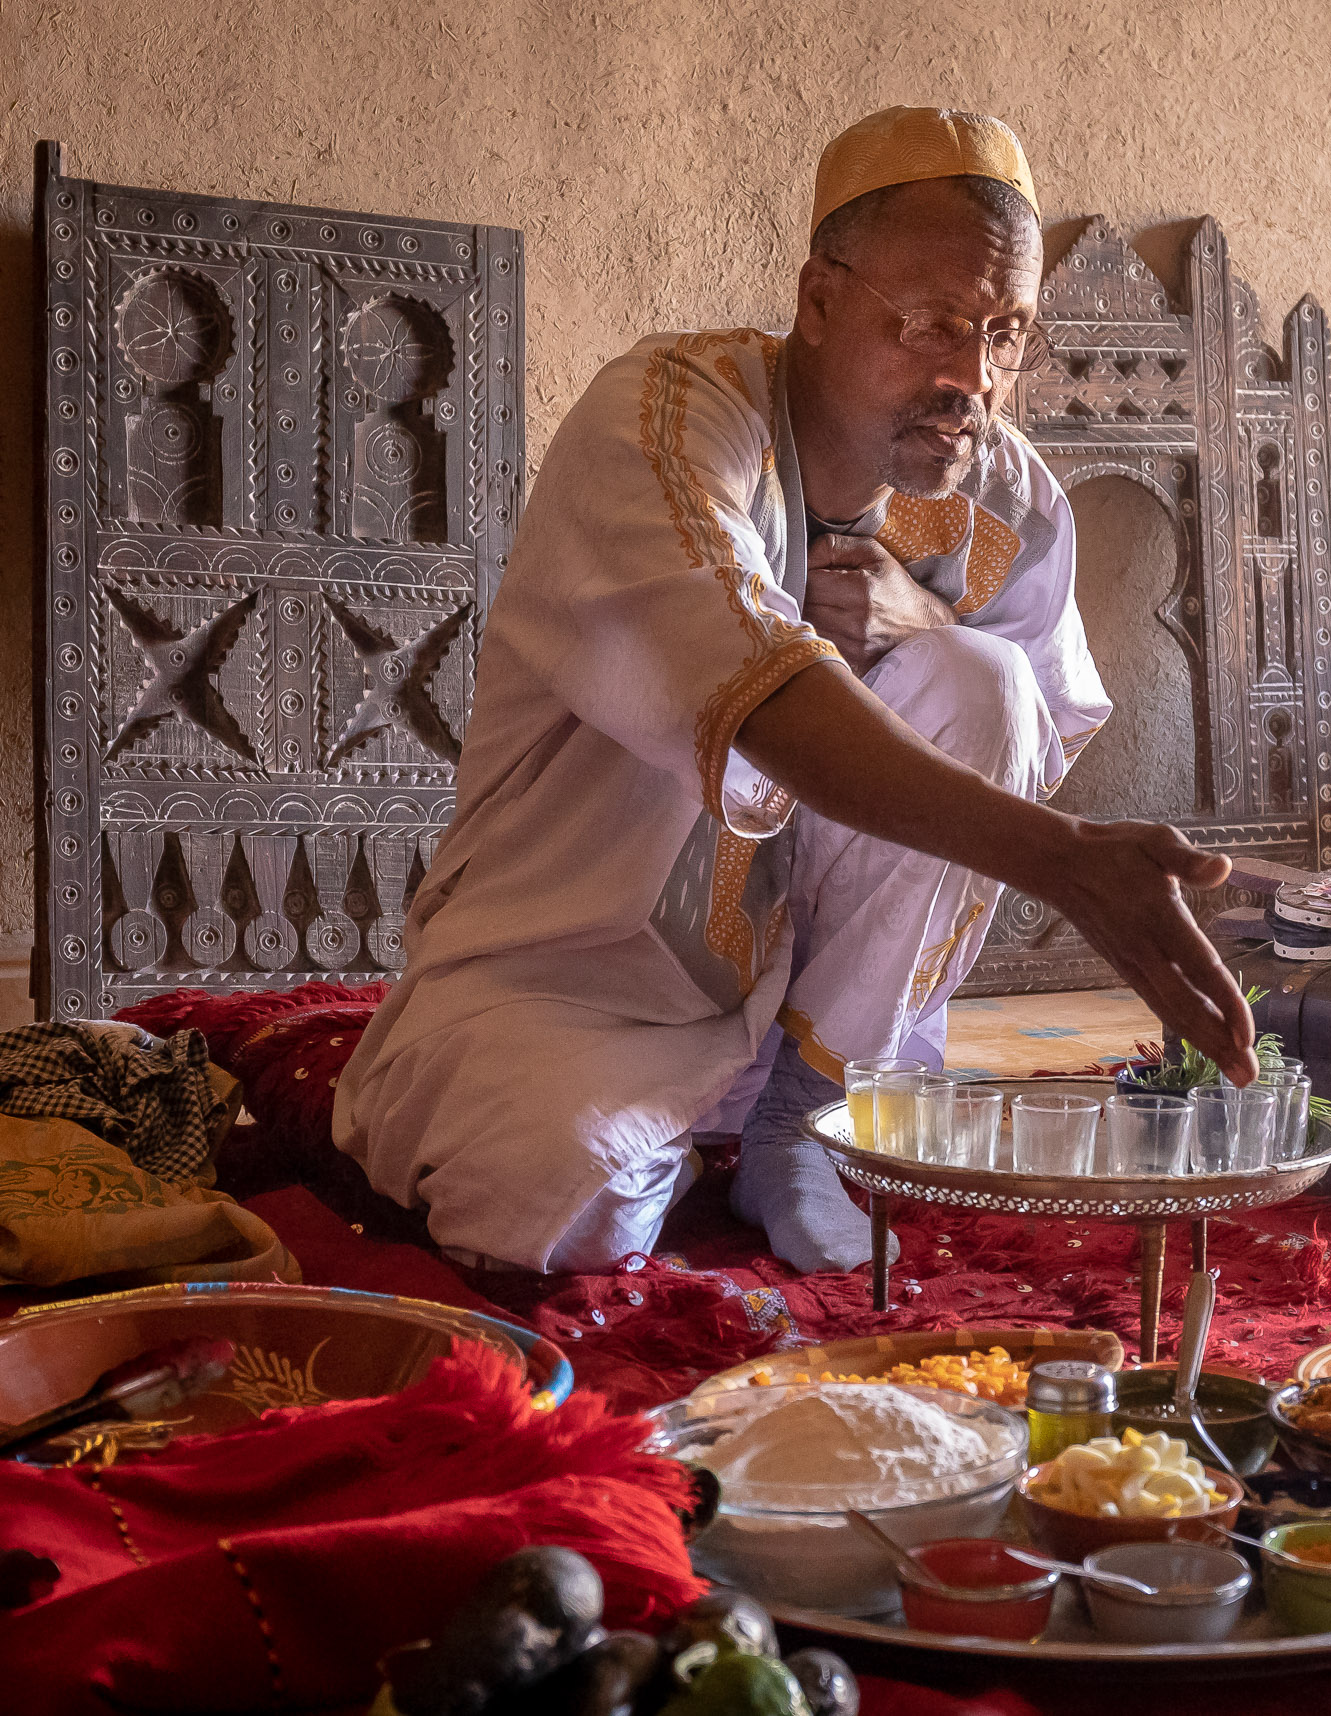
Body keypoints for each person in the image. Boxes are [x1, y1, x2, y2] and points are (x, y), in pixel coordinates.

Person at [333, 107, 1254, 1275]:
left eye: (1005, 332)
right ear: (817, 301)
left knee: (987, 678)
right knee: (562, 1206)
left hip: (830, 1015)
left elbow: (1035, 722)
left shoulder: (1002, 496)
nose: (968, 376)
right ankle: (656, 1132)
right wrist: (1065, 860)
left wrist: (922, 622)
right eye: (926, 323)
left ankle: (805, 1120)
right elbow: (751, 694)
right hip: (574, 980)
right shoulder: (668, 418)